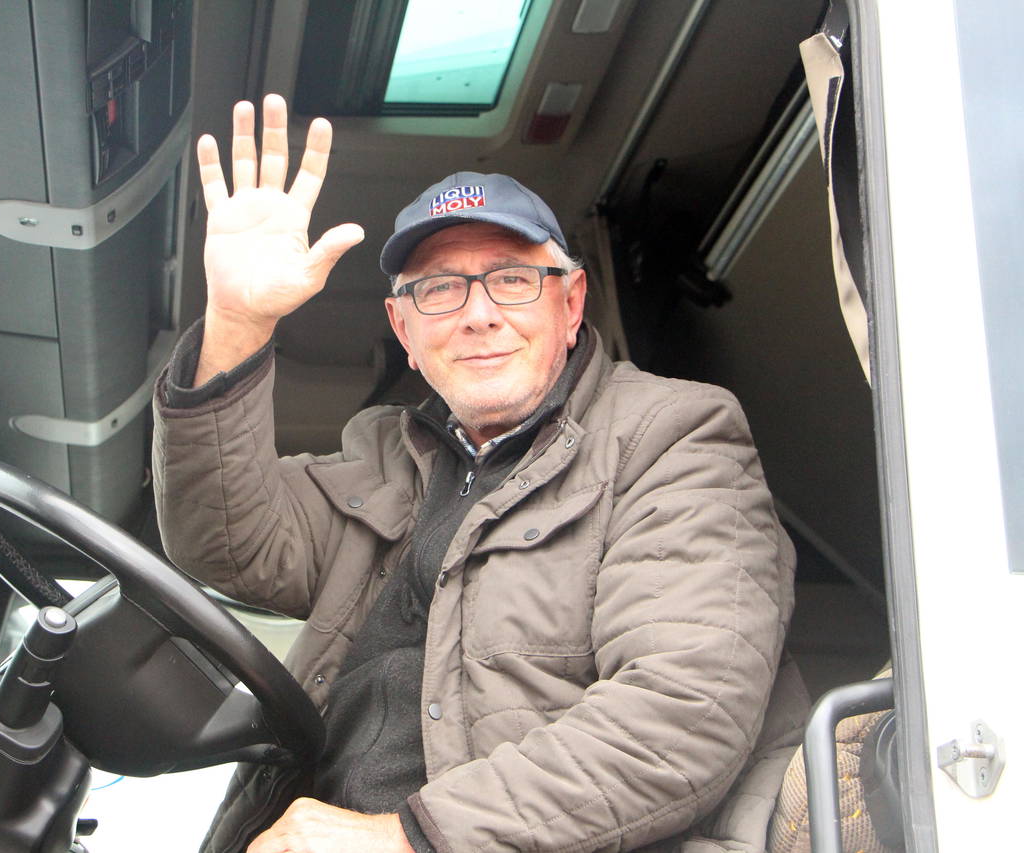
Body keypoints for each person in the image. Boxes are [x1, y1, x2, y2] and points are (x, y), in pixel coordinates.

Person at [153, 94, 807, 853]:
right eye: (439, 288)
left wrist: (405, 839)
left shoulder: (673, 435)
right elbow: (225, 541)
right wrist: (238, 324)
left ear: (571, 305)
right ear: (404, 330)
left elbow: (682, 712)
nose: (479, 313)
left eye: (513, 279)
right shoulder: (385, 454)